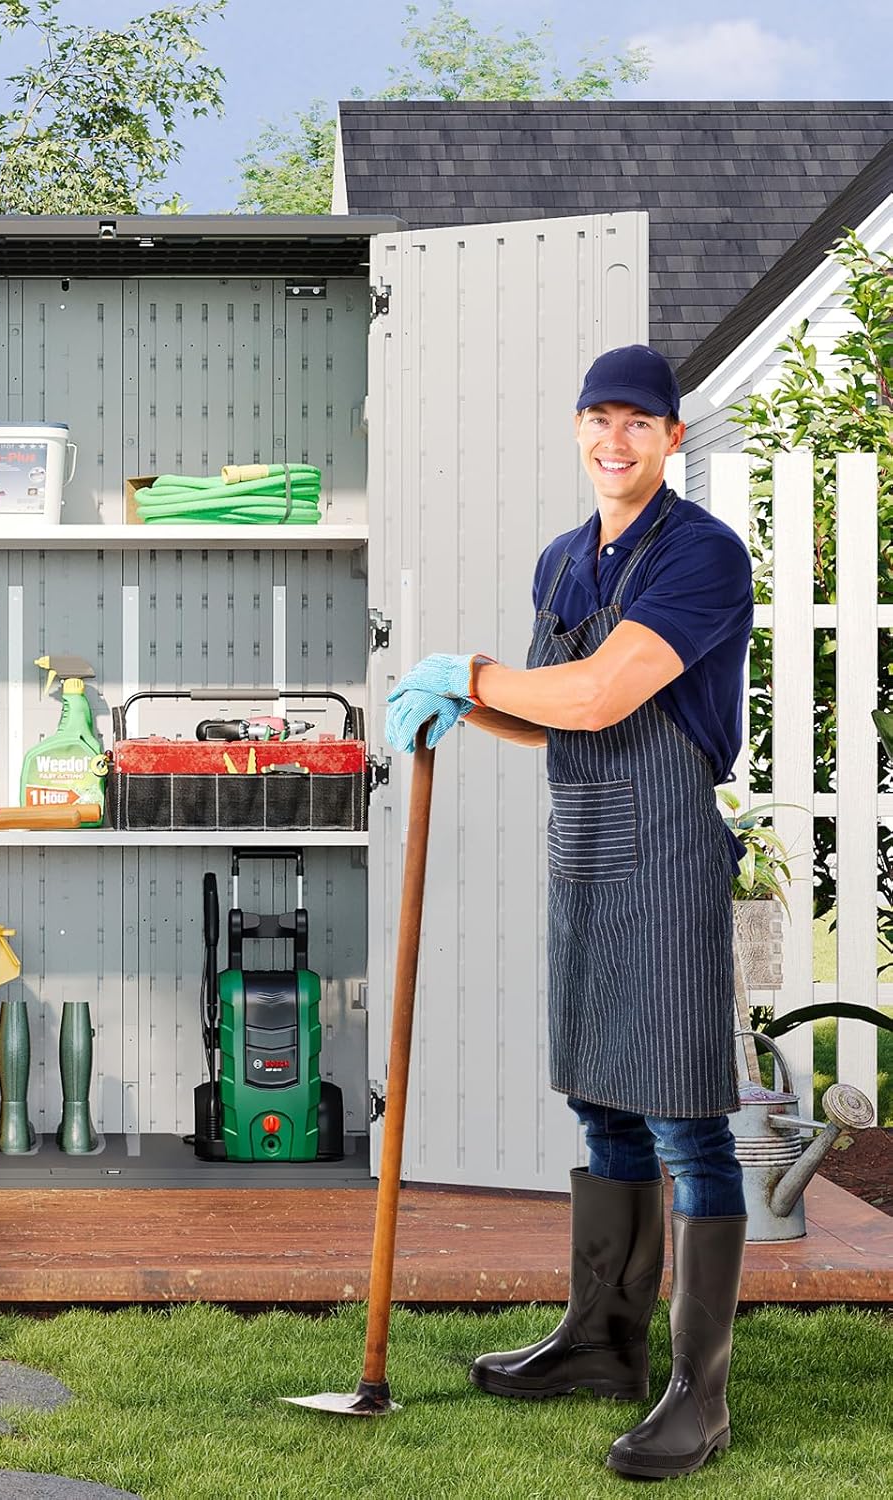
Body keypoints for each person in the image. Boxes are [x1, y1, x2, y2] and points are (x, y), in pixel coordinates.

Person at [384, 344, 753, 1481]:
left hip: (671, 843)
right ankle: (602, 1342)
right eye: (599, 418)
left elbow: (602, 690)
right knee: (599, 1098)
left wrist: (474, 670)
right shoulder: (562, 560)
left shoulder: (700, 554)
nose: (616, 439)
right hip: (586, 841)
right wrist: (458, 705)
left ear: (671, 439)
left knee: (685, 1115)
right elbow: (555, 720)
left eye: (639, 422)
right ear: (576, 430)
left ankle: (700, 1395)